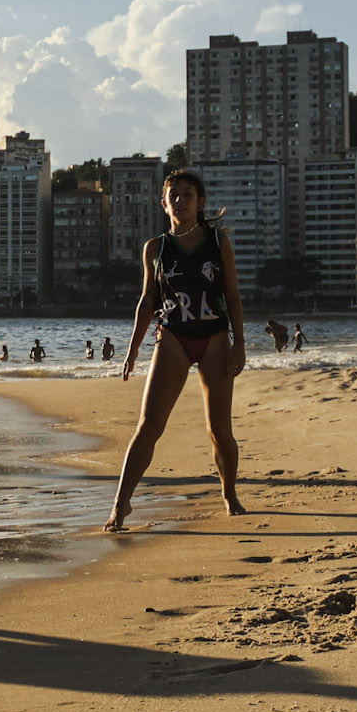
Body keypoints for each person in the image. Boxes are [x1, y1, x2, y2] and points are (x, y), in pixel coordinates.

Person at [106, 170, 247, 531]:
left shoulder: (218, 243)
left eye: (188, 194)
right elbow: (147, 301)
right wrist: (133, 349)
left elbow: (232, 296)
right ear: (164, 202)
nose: (181, 200)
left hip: (215, 338)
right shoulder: (156, 248)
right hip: (171, 338)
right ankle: (120, 505)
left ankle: (229, 493)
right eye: (174, 194)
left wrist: (240, 345)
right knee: (149, 424)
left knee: (219, 430)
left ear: (201, 202)